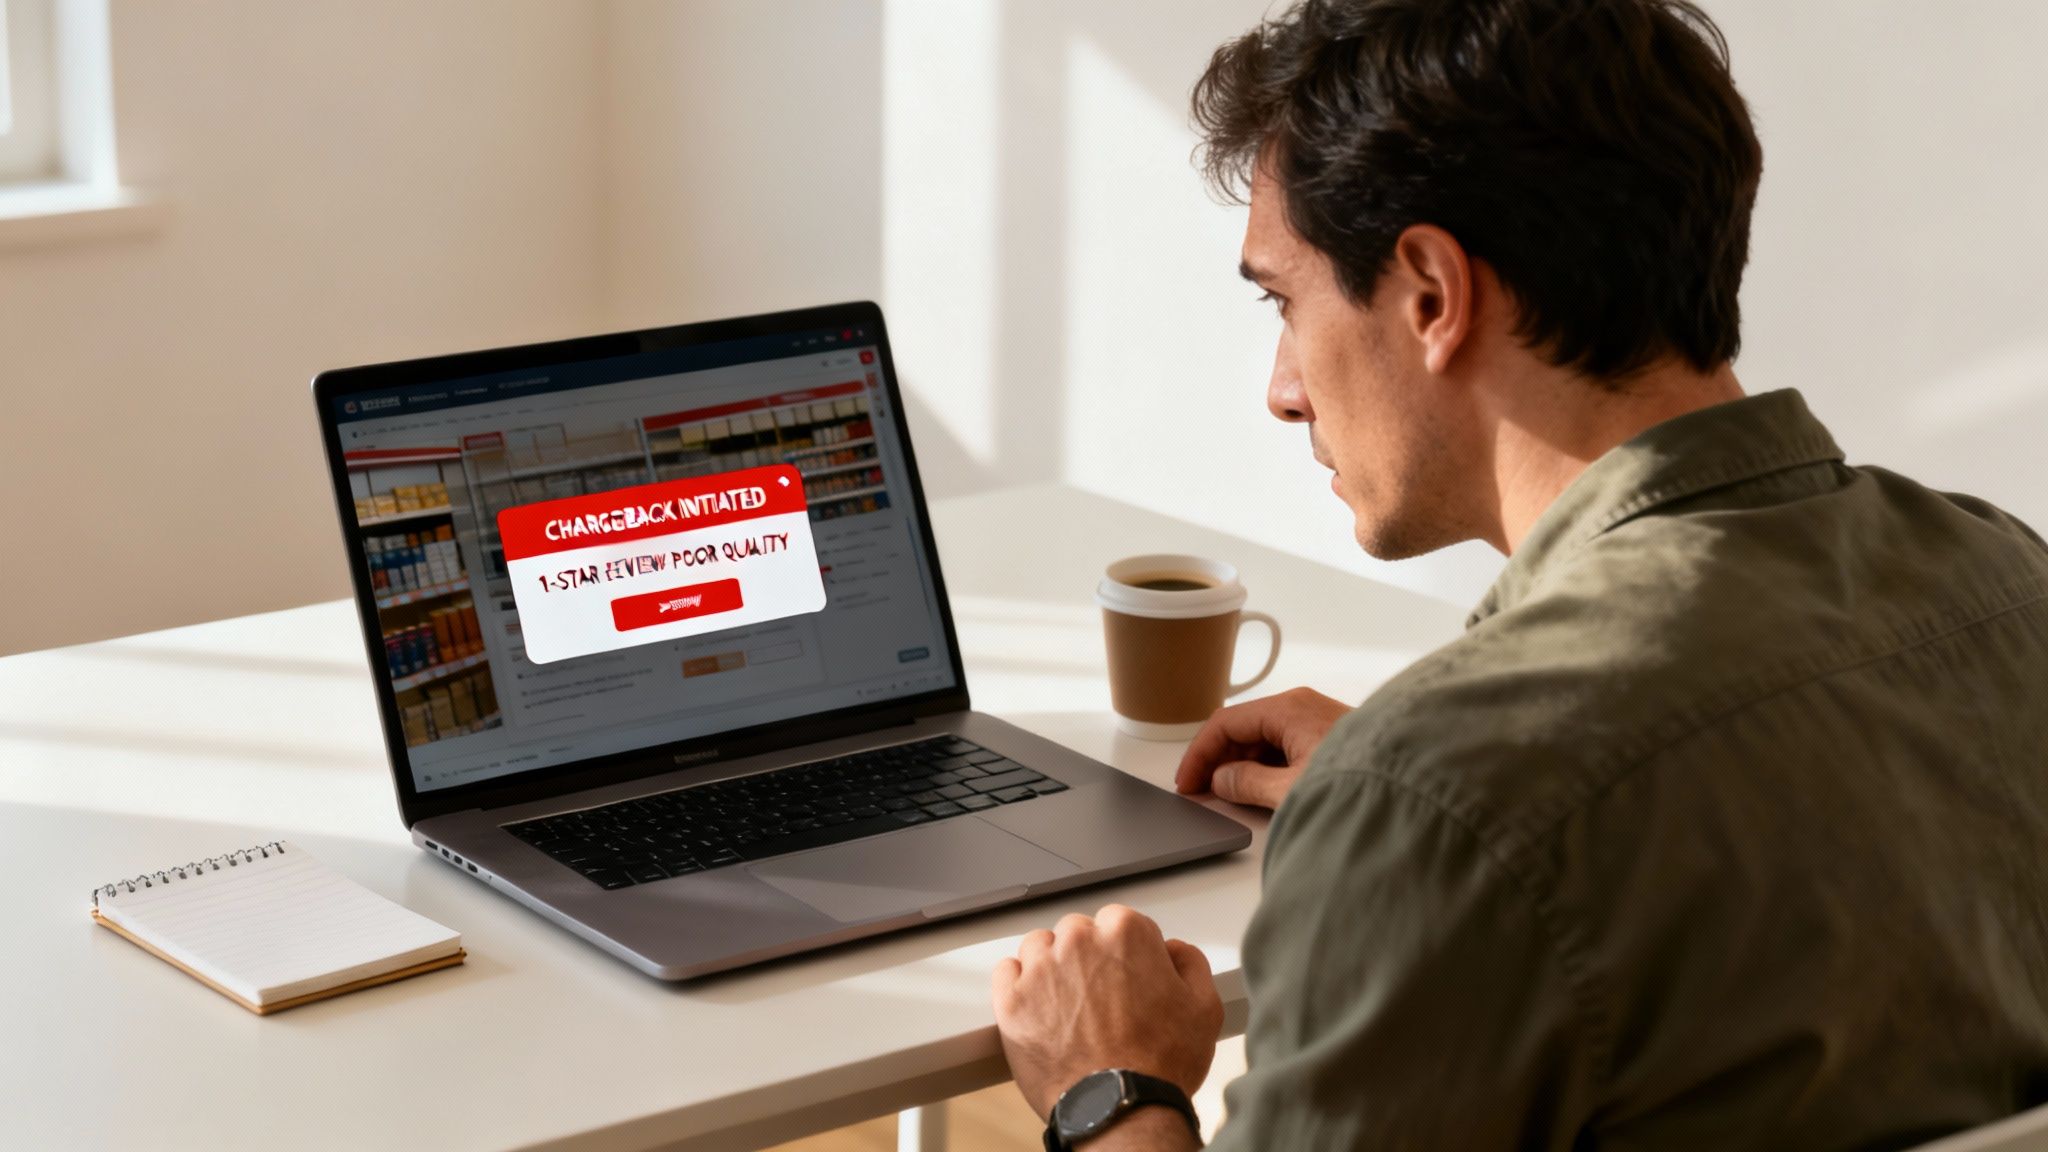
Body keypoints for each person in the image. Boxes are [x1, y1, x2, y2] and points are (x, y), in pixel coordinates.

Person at [989, 0, 2048, 1148]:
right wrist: (1430, 828)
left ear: (1432, 296)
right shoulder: (2006, 580)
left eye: (1284, 302)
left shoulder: (1442, 791)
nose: (1281, 387)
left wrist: (1113, 1088)